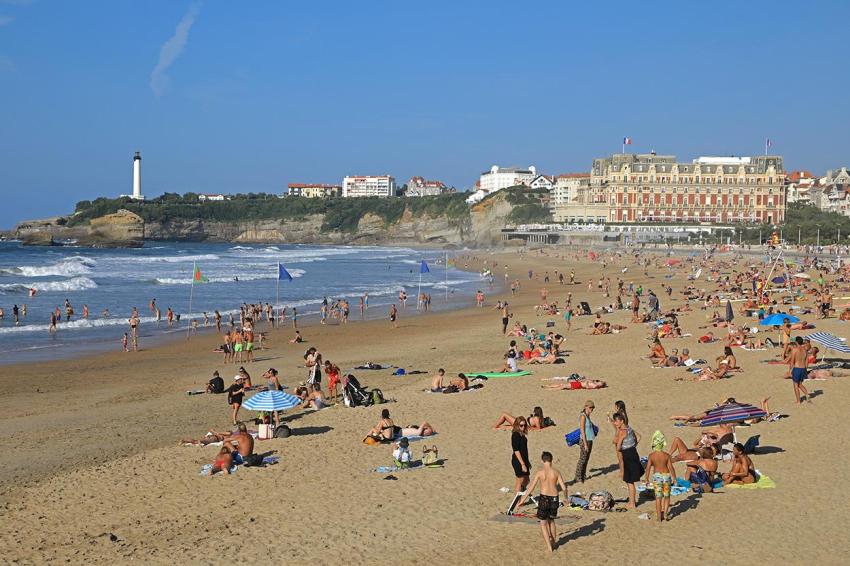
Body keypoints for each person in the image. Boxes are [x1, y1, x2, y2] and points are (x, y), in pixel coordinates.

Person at [516, 452, 568, 554]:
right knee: (551, 521)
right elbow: (564, 487)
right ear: (551, 460)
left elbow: (531, 487)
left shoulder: (540, 472)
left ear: (542, 460)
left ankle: (549, 547)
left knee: (543, 524)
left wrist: (522, 500)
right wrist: (566, 498)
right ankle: (553, 542)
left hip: (544, 498)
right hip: (554, 498)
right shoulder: (556, 472)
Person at [644, 431, 677, 521]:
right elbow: (671, 468)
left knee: (658, 498)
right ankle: (665, 514)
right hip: (666, 476)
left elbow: (648, 468)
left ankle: (659, 517)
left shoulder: (651, 456)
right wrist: (674, 478)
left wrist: (646, 479)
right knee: (667, 496)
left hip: (657, 476)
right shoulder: (666, 455)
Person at [613, 412, 643, 509]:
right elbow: (639, 437)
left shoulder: (622, 431)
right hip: (633, 453)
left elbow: (618, 448)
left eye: (616, 421)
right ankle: (631, 502)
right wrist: (632, 446)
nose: (615, 423)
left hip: (628, 455)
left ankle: (632, 503)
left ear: (621, 421)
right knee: (630, 480)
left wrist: (619, 439)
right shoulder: (629, 428)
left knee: (629, 481)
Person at [575, 400, 596, 484]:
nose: (592, 409)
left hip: (590, 440)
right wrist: (585, 444)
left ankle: (583, 475)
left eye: (593, 408)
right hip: (585, 440)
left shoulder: (587, 416)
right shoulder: (583, 416)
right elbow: (582, 430)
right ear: (586, 407)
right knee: (582, 459)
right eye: (590, 407)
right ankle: (578, 477)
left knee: (586, 459)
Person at [510, 416, 531, 495]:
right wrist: (522, 464)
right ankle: (517, 502)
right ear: (517, 425)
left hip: (524, 459)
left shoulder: (522, 434)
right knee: (520, 480)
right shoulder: (515, 435)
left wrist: (527, 461)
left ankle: (521, 492)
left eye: (525, 425)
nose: (523, 427)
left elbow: (524, 449)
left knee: (527, 479)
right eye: (521, 425)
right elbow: (516, 450)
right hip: (518, 461)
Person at [789, 336, 811, 404]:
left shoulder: (794, 350)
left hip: (797, 368)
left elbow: (792, 361)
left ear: (796, 342)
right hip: (803, 368)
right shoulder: (805, 350)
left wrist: (790, 370)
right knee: (800, 384)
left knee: (795, 385)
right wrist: (805, 369)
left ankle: (798, 401)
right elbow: (807, 361)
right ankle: (807, 394)